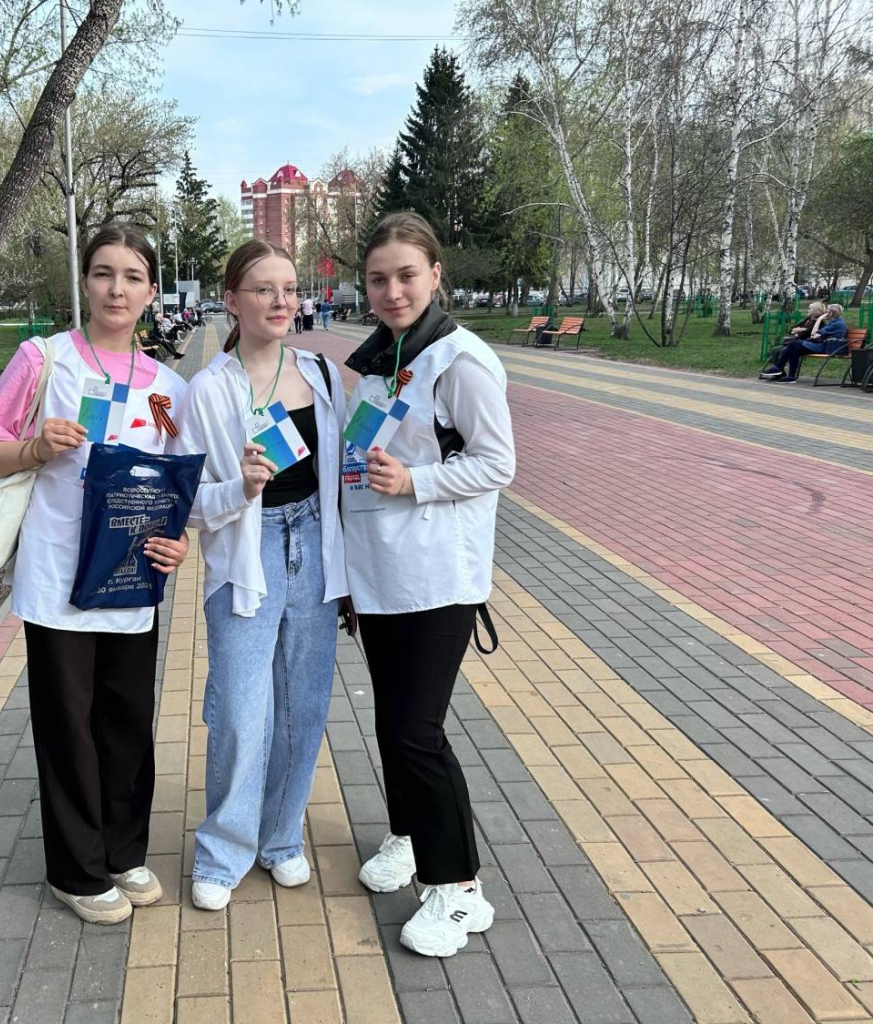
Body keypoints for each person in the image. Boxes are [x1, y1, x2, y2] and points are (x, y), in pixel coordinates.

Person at [0, 225, 190, 925]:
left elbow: (174, 484)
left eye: (132, 276)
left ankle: (123, 852)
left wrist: (179, 540)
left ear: (151, 292)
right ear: (85, 282)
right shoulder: (44, 359)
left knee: (126, 721)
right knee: (68, 724)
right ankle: (76, 870)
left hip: (129, 576)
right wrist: (34, 448)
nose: (116, 289)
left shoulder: (168, 388)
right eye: (103, 273)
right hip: (57, 573)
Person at [340, 211, 515, 958]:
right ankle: (410, 837)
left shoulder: (460, 360)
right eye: (378, 278)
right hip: (380, 574)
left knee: (417, 732)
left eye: (406, 275)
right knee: (392, 724)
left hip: (437, 578)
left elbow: (497, 462)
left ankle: (460, 888)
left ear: (435, 275)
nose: (392, 290)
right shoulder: (381, 359)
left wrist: (418, 481)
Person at [177, 240, 349, 911]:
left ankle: (280, 838)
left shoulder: (321, 374)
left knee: (302, 707)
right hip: (247, 558)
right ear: (231, 301)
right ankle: (222, 853)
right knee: (240, 711)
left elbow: (342, 475)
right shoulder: (209, 390)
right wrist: (240, 489)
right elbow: (186, 503)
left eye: (289, 288)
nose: (281, 301)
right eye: (262, 289)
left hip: (315, 546)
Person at [761, 302, 848, 382]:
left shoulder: (837, 324)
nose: (825, 313)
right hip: (821, 344)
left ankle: (778, 368)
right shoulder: (834, 322)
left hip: (826, 348)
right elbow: (814, 334)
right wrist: (816, 334)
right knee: (794, 348)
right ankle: (790, 376)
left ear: (831, 313)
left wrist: (820, 319)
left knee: (794, 345)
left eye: (827, 312)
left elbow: (813, 333)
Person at [762, 301, 825, 370]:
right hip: (795, 341)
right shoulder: (807, 320)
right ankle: (778, 371)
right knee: (775, 349)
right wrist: (801, 330)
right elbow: (792, 329)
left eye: (810, 309)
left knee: (784, 350)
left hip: (805, 344)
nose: (808, 310)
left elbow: (808, 333)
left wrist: (800, 330)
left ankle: (778, 369)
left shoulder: (819, 323)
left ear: (815, 311)